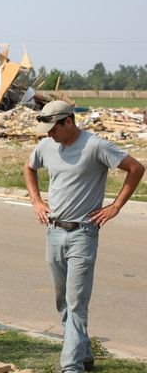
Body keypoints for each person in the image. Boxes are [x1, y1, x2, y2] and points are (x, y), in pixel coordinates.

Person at [23, 100, 145, 372]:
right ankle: (84, 354)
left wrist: (115, 206)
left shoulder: (95, 146)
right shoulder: (46, 146)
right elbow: (29, 168)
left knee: (76, 302)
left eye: (52, 128)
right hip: (54, 231)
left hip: (83, 233)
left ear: (68, 121)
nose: (48, 133)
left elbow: (136, 169)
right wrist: (36, 202)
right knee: (62, 301)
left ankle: (71, 366)